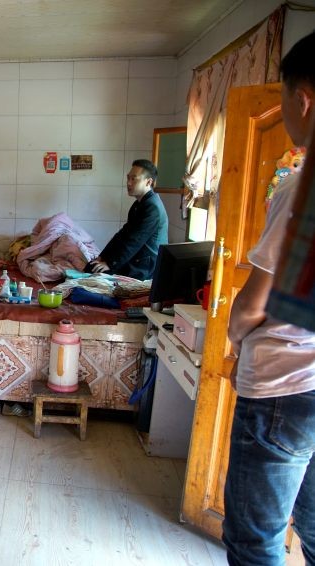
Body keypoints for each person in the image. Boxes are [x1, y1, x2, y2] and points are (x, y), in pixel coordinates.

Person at [223, 31, 315, 565]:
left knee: (256, 539)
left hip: (285, 385)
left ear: (302, 99)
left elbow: (254, 305)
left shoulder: (301, 186)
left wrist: (235, 342)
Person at [86, 159, 168, 280]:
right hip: (135, 258)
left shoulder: (153, 207)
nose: (128, 183)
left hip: (145, 266)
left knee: (95, 274)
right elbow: (123, 235)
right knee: (91, 267)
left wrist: (110, 264)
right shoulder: (139, 204)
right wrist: (102, 257)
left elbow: (134, 242)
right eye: (128, 178)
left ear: (148, 182)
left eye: (134, 179)